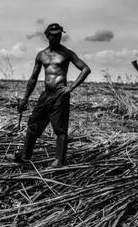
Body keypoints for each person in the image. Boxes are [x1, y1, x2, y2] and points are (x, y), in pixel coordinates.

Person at [16, 23, 91, 167]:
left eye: (59, 35)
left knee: (60, 129)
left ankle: (59, 161)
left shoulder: (67, 53)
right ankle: (25, 156)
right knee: (33, 124)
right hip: (46, 95)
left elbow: (85, 69)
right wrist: (25, 98)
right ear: (47, 36)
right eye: (54, 35)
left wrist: (71, 87)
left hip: (60, 95)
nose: (57, 37)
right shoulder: (41, 55)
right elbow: (33, 78)